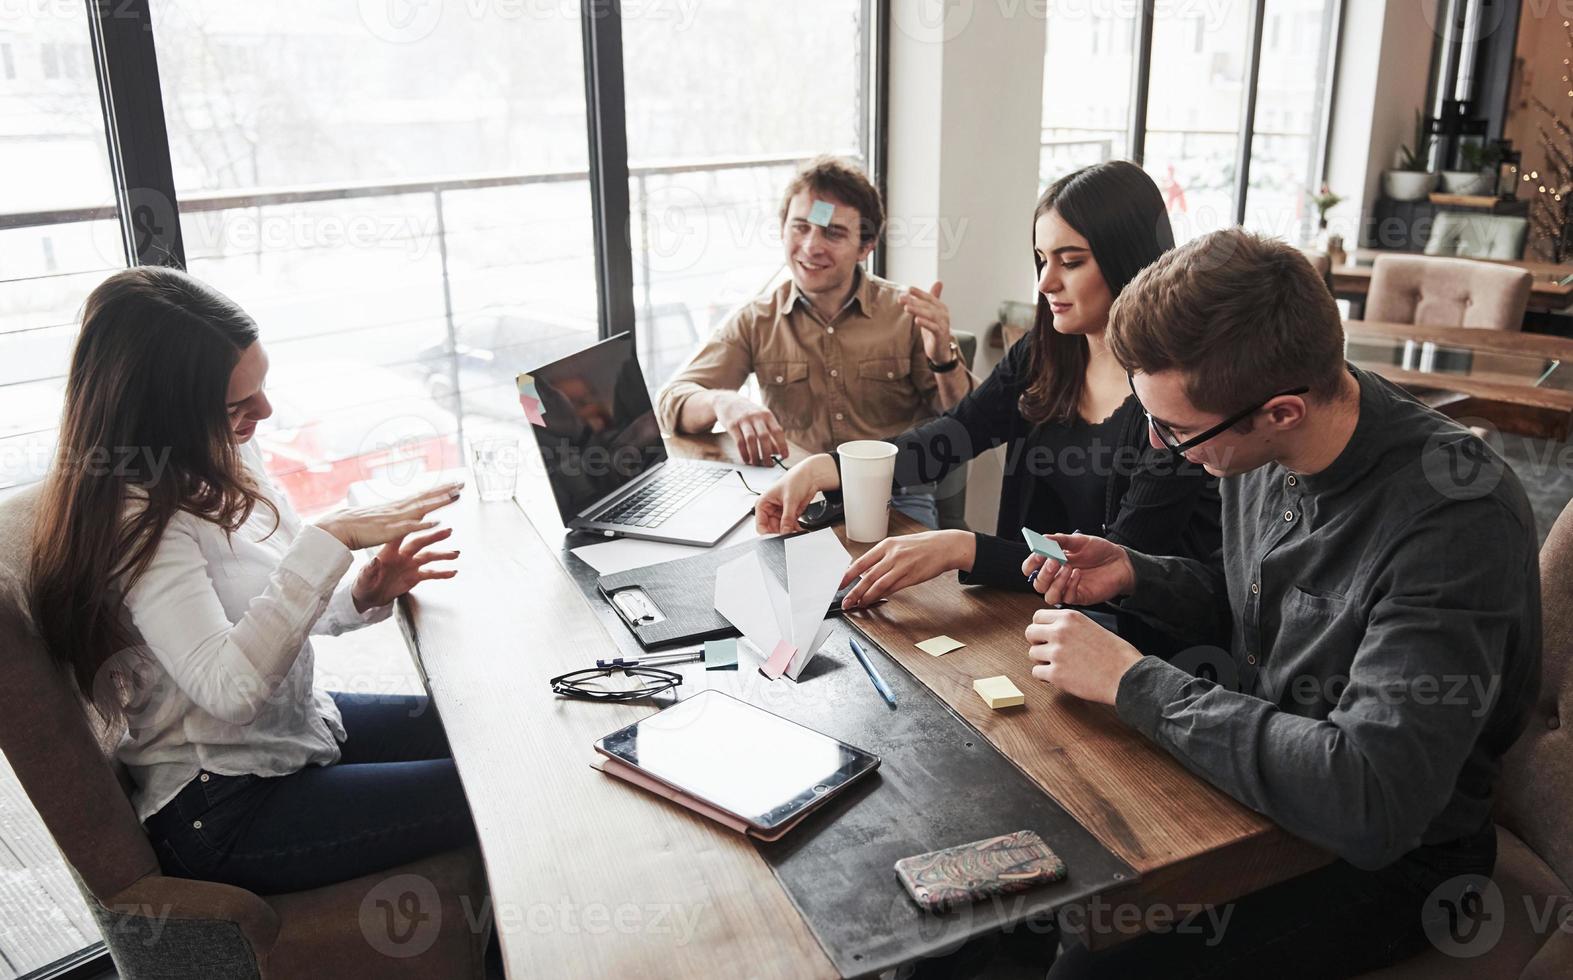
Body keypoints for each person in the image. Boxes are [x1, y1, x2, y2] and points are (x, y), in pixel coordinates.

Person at [1022, 228, 1540, 977]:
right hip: (1263, 799)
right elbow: (1272, 615)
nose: (1162, 450)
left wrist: (1134, 682)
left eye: (1175, 429)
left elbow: (1370, 798)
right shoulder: (1257, 440)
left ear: (1283, 412)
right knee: (1045, 868)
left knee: (1098, 953)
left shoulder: (1455, 521)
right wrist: (1139, 574)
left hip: (1400, 865)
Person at [28, 265, 476, 895]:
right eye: (238, 403)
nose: (265, 411)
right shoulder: (139, 520)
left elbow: (278, 603)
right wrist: (329, 541)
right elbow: (230, 688)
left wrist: (360, 593)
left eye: (262, 386)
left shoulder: (224, 454)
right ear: (163, 412)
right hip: (223, 806)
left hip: (288, 732)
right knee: (498, 784)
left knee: (491, 728)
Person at [755, 161, 1219, 620]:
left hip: (1135, 639)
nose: (1045, 282)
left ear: (1127, 258)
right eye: (1041, 260)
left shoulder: (1173, 397)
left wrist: (965, 548)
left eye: (1071, 262)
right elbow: (954, 434)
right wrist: (830, 467)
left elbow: (1114, 568)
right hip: (1034, 611)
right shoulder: (1045, 353)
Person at [655, 155, 972, 526]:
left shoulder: (906, 314)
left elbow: (968, 423)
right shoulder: (757, 319)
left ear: (866, 245)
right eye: (800, 227)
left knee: (893, 585)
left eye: (833, 233)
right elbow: (670, 402)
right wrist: (720, 401)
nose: (810, 246)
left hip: (893, 498)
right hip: (795, 491)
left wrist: (944, 358)